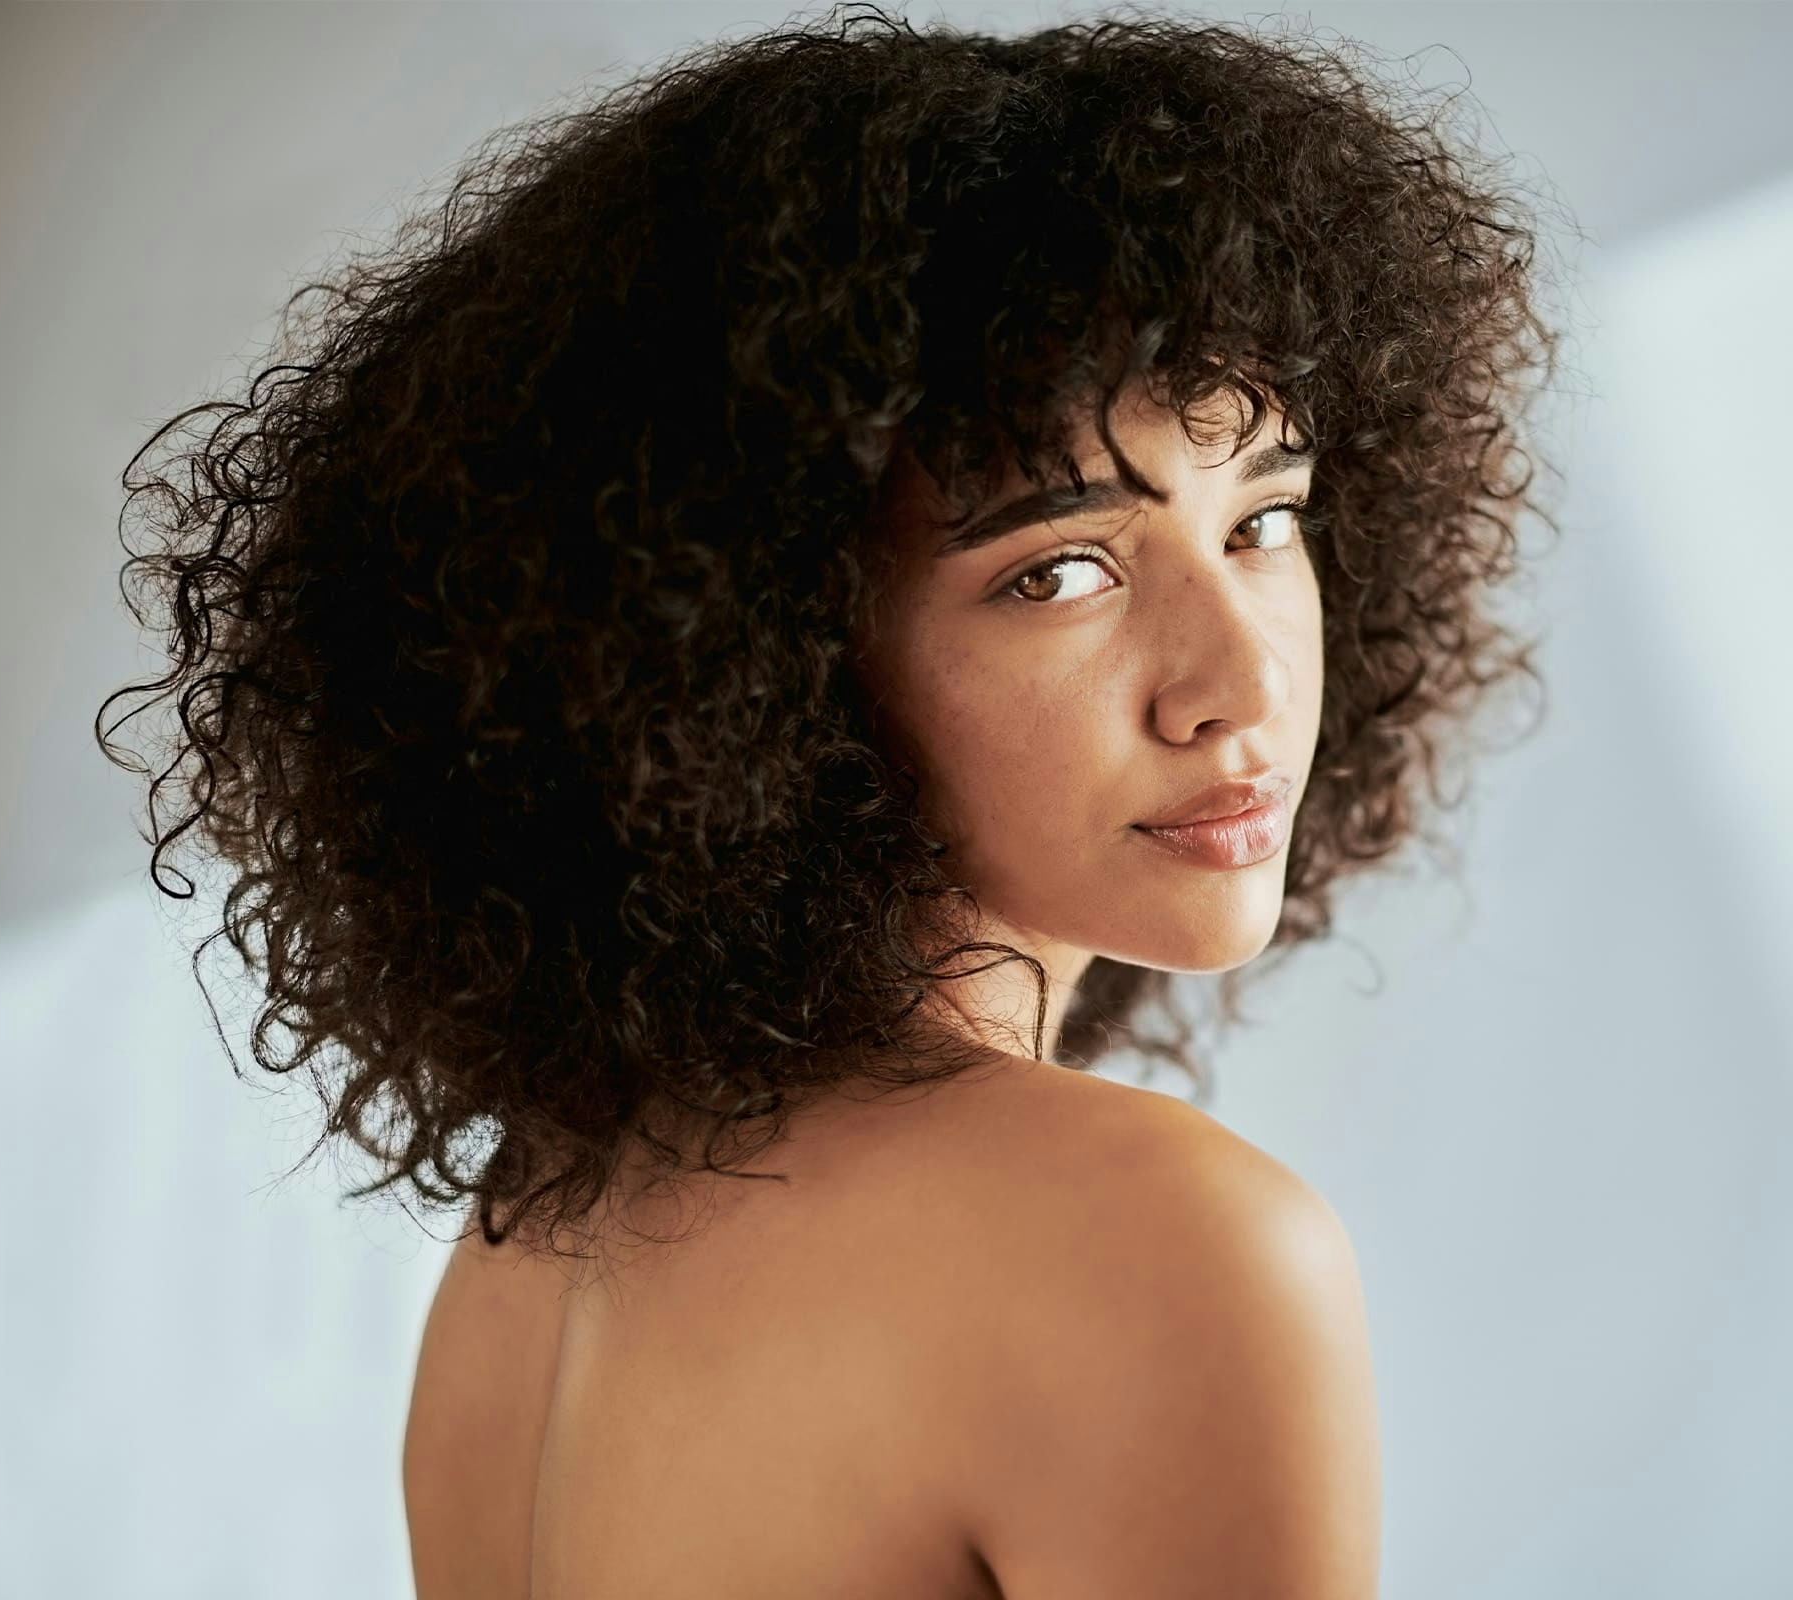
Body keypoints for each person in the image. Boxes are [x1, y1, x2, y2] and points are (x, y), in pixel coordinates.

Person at [95, 5, 1564, 1595]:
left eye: (1265, 520)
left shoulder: (544, 1218)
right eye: (1060, 570)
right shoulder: (1154, 1241)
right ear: (755, 661)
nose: (1244, 681)